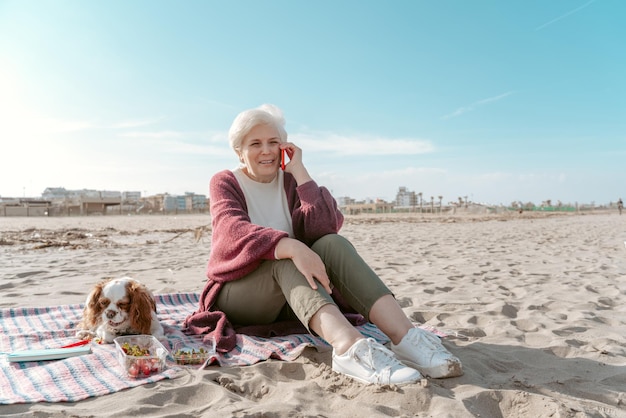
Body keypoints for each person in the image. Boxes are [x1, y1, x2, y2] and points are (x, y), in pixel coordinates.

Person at [184, 104, 463, 385]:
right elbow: (231, 231)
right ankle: (349, 349)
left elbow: (325, 226)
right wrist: (292, 247)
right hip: (240, 293)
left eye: (273, 142)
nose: (266, 150)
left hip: (291, 296)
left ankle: (406, 339)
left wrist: (300, 172)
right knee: (286, 261)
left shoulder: (290, 181)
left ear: (284, 146)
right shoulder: (225, 181)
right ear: (238, 151)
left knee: (333, 243)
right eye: (255, 143)